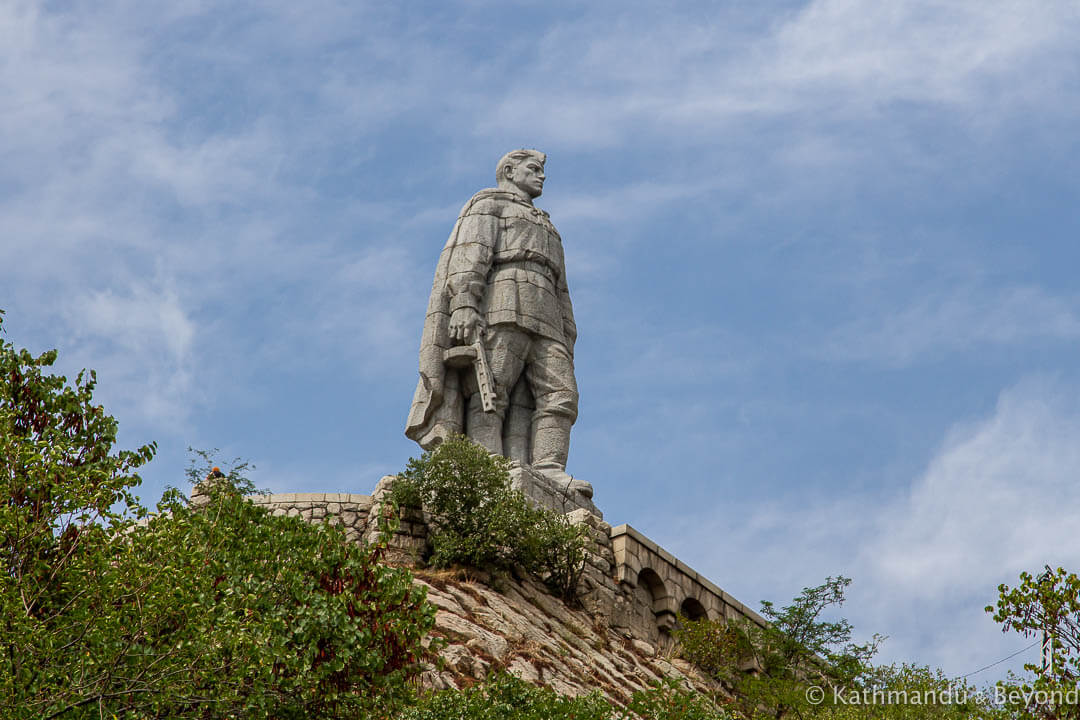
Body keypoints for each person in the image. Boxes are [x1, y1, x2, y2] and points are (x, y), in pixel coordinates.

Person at [405, 149, 591, 498]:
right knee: (490, 389)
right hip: (503, 303)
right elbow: (470, 254)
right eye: (533, 169)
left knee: (562, 394)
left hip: (547, 314)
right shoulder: (489, 205)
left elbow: (562, 286)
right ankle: (486, 463)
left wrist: (568, 330)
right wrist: (463, 303)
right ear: (509, 171)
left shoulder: (548, 225)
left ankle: (548, 467)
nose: (542, 177)